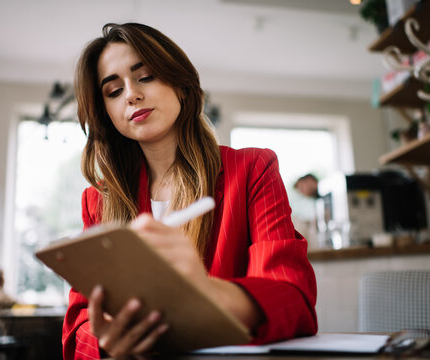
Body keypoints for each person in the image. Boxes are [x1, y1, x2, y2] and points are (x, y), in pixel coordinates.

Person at [63, 22, 317, 359]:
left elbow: (293, 299)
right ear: (107, 113)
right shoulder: (98, 200)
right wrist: (107, 344)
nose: (131, 94)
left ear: (181, 85)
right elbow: (78, 326)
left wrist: (206, 292)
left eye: (146, 76)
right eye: (113, 91)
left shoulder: (253, 169)